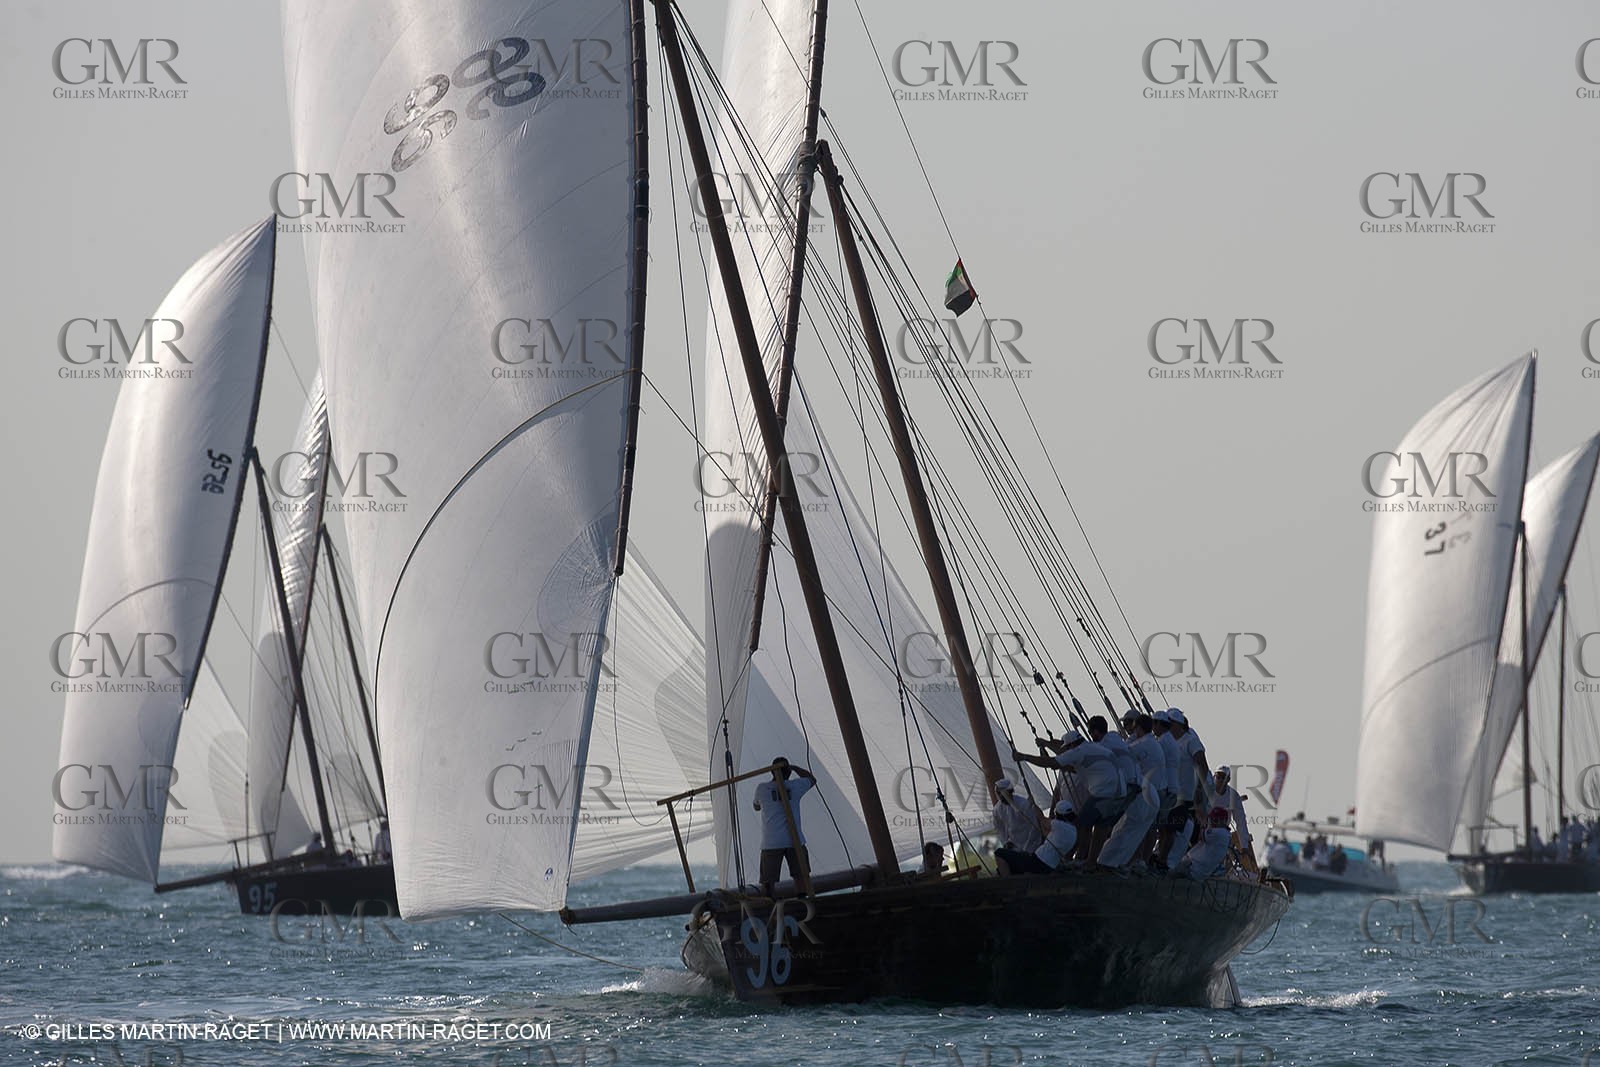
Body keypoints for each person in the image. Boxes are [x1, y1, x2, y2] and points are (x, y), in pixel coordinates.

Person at [1012, 730, 1124, 854]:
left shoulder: (1079, 751)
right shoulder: (1093, 748)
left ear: (1072, 745)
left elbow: (1052, 762)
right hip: (1120, 792)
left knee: (1081, 826)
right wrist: (1053, 760)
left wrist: (1024, 757)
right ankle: (1091, 861)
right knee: (1100, 827)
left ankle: (1082, 859)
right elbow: (1071, 768)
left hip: (1104, 792)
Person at [1099, 711, 1162, 869]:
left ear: (1138, 727)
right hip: (1152, 797)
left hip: (1143, 796)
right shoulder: (1153, 743)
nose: (1129, 728)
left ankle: (1107, 863)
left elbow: (1121, 754)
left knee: (1123, 831)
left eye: (1131, 725)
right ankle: (1122, 863)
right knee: (1135, 834)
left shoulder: (1141, 744)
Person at [753, 756, 816, 896]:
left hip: (771, 842)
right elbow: (812, 779)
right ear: (788, 773)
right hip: (795, 840)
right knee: (801, 876)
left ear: (772, 772)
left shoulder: (762, 789)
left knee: (768, 881)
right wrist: (794, 768)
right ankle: (803, 901)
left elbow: (756, 806)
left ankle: (769, 905)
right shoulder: (795, 786)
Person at [996, 800, 1078, 876]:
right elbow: (1045, 833)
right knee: (1012, 864)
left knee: (999, 853)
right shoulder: (1073, 832)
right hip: (1048, 866)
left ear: (1058, 814)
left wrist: (1033, 804)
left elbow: (1042, 819)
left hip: (1038, 862)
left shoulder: (1059, 826)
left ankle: (1009, 884)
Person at [1172, 807, 1232, 880]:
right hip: (1195, 868)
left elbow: (1201, 835)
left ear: (1224, 821)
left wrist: (1203, 821)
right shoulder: (1224, 833)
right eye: (1212, 819)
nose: (1213, 822)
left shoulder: (1219, 832)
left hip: (1192, 868)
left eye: (1216, 820)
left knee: (1167, 871)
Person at [992, 778, 1045, 853]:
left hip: (1033, 844)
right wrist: (1005, 842)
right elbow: (999, 829)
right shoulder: (997, 810)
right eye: (998, 793)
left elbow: (1034, 826)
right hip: (1015, 847)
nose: (1000, 796)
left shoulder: (1024, 804)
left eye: (1002, 793)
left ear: (1010, 792)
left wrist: (1027, 848)